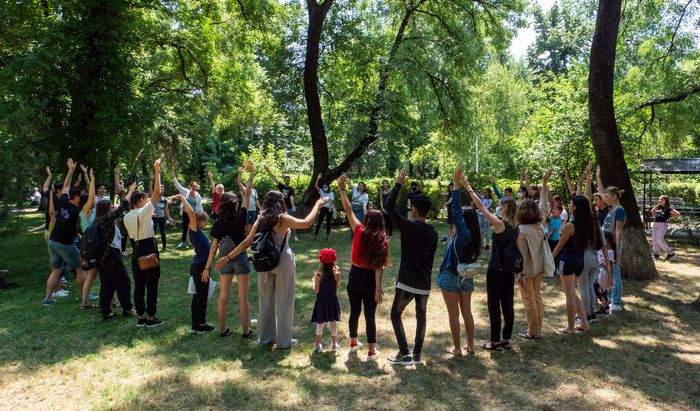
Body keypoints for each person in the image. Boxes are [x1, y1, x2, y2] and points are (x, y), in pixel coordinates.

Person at [215, 190, 328, 349]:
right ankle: (284, 340)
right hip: (283, 262)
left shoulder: (260, 220)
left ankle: (266, 338)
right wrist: (317, 205)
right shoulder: (283, 219)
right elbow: (307, 223)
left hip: (264, 263)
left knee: (266, 301)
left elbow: (246, 243)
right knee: (285, 301)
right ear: (281, 202)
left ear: (266, 202)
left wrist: (227, 257)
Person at [384, 169, 438, 366]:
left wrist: (398, 184)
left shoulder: (409, 227)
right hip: (423, 283)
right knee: (421, 317)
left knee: (395, 314)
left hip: (407, 282)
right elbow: (431, 259)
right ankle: (416, 354)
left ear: (414, 210)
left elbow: (388, 205)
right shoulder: (432, 232)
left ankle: (405, 354)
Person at [338, 174, 389, 361]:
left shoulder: (359, 231)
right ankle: (371, 350)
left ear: (367, 221)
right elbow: (379, 267)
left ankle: (353, 342)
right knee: (370, 316)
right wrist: (378, 289)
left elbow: (348, 210)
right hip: (369, 280)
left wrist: (342, 190)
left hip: (354, 276)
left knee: (354, 312)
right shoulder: (382, 240)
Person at [467, 179, 519, 351]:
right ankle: (506, 339)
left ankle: (495, 341)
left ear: (505, 208)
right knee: (507, 304)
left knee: (494, 305)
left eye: (500, 205)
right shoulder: (516, 226)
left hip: (496, 269)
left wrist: (469, 187)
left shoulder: (499, 223)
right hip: (509, 270)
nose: (498, 207)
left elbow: (481, 207)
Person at [206, 162, 255, 338]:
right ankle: (245, 331)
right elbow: (248, 194)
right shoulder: (241, 216)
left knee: (223, 297)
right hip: (240, 258)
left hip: (223, 259)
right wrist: (251, 174)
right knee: (243, 298)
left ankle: (222, 330)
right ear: (234, 205)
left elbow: (213, 247)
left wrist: (207, 267)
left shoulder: (217, 223)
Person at [437, 169, 481, 356]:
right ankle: (470, 346)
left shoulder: (463, 234)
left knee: (454, 315)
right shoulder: (474, 236)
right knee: (467, 312)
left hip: (451, 275)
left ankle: (457, 348)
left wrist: (456, 184)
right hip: (467, 277)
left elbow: (455, 210)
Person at [124, 159, 165, 328]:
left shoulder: (126, 216)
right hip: (148, 248)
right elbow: (157, 192)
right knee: (151, 285)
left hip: (136, 250)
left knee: (139, 286)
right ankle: (151, 317)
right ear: (140, 200)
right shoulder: (143, 211)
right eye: (144, 199)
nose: (147, 201)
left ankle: (140, 317)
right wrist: (157, 171)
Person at [514, 169, 553, 340]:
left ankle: (533, 332)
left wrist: (519, 273)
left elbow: (521, 255)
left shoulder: (522, 230)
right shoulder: (540, 224)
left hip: (527, 270)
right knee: (537, 297)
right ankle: (537, 329)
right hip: (538, 267)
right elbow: (543, 205)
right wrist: (544, 183)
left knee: (529, 299)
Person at [43, 159, 87, 306]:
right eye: (80, 196)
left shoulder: (63, 201)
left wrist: (71, 170)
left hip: (53, 242)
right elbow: (68, 187)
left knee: (56, 270)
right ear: (76, 197)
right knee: (80, 269)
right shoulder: (76, 211)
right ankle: (85, 297)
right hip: (65, 244)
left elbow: (66, 186)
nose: (82, 198)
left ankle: (48, 298)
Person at [552, 194, 597, 333]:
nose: (569, 205)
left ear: (576, 207)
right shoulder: (589, 224)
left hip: (568, 260)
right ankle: (585, 324)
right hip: (579, 260)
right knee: (572, 292)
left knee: (569, 294)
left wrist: (550, 258)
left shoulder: (570, 226)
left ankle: (570, 327)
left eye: (571, 203)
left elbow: (560, 245)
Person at [94, 182, 137, 320]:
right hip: (110, 255)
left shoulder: (100, 220)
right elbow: (123, 206)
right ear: (106, 210)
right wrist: (130, 192)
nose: (114, 208)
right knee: (123, 282)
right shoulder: (105, 220)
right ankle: (128, 309)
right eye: (111, 207)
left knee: (107, 284)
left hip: (103, 257)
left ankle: (106, 311)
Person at [177, 192, 214, 334]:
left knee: (197, 295)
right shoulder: (194, 230)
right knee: (201, 296)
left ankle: (195, 325)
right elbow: (191, 213)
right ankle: (201, 325)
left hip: (199, 266)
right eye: (206, 221)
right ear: (199, 221)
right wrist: (182, 198)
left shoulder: (198, 232)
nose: (207, 223)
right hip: (201, 267)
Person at [311, 248, 341, 353]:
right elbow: (337, 286)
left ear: (321, 261)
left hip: (322, 302)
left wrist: (313, 281)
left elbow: (316, 291)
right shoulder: (336, 273)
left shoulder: (318, 275)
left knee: (320, 323)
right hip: (332, 301)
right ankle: (334, 344)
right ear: (334, 260)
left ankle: (318, 345)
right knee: (333, 323)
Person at [601, 186, 626, 312]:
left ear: (615, 197)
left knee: (615, 273)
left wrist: (616, 247)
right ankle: (611, 297)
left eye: (607, 196)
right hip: (607, 245)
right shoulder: (611, 209)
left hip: (614, 245)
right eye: (604, 197)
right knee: (608, 272)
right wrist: (598, 177)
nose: (605, 199)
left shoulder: (619, 210)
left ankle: (617, 302)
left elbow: (618, 230)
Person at [79, 167, 98, 309]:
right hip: (91, 247)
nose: (93, 201)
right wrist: (92, 179)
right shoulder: (84, 212)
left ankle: (85, 303)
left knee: (92, 276)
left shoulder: (89, 212)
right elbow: (91, 197)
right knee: (95, 275)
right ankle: (113, 300)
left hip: (91, 245)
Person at [263, 165, 299, 241]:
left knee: (292, 221)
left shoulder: (291, 189)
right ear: (284, 180)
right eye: (286, 180)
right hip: (280, 208)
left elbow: (291, 197)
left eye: (288, 180)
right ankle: (281, 236)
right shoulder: (281, 186)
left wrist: (293, 206)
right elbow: (274, 178)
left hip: (289, 208)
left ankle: (295, 236)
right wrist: (267, 170)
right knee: (279, 222)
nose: (288, 181)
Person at [173, 176, 203, 248]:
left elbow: (199, 206)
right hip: (185, 213)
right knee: (185, 228)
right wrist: (174, 177)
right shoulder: (186, 192)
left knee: (193, 228)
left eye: (195, 186)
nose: (194, 187)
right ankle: (183, 242)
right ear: (190, 186)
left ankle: (193, 241)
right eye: (193, 186)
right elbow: (179, 186)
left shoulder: (198, 195)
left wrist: (201, 213)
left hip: (193, 214)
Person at [149, 176, 174, 252]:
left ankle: (164, 248)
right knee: (153, 233)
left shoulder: (164, 199)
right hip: (154, 218)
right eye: (161, 188)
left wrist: (169, 218)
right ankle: (151, 248)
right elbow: (150, 188)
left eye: (163, 188)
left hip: (162, 218)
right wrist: (151, 180)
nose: (162, 189)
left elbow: (166, 209)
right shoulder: (154, 196)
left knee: (163, 233)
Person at [651, 195, 680, 260]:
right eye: (659, 199)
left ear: (666, 201)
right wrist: (655, 216)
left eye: (662, 200)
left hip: (662, 225)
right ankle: (656, 254)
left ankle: (671, 253)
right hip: (655, 224)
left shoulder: (668, 208)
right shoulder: (658, 206)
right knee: (654, 239)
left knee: (659, 240)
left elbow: (678, 214)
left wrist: (669, 219)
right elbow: (652, 210)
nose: (660, 201)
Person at [314, 173, 335, 241]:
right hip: (323, 208)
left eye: (325, 187)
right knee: (319, 221)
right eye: (323, 187)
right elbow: (315, 185)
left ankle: (327, 236)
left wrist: (330, 208)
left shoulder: (331, 193)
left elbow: (331, 201)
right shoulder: (321, 191)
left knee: (328, 222)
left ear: (328, 187)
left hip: (329, 209)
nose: (324, 188)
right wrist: (318, 178)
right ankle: (316, 235)